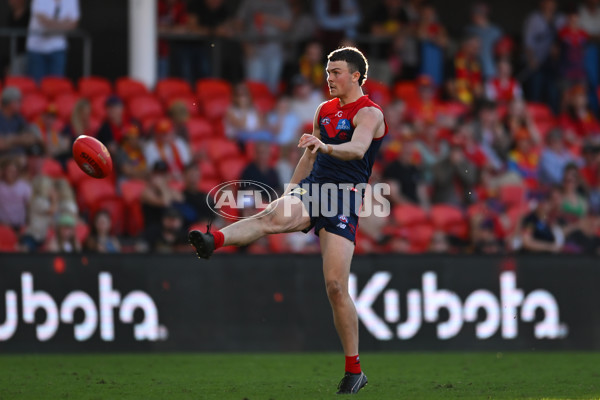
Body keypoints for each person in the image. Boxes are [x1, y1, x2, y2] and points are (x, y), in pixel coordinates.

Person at [188, 47, 384, 394]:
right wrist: (291, 191)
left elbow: (356, 149)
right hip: (314, 189)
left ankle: (354, 370)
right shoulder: (323, 111)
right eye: (327, 72)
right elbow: (309, 159)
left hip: (343, 199)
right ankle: (212, 241)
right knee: (271, 216)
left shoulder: (369, 113)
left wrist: (325, 147)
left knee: (336, 288)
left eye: (336, 72)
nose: (329, 78)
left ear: (356, 76)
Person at [26, 0, 80, 83]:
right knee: (37, 85)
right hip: (36, 48)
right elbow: (42, 19)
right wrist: (64, 23)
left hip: (58, 47)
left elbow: (73, 24)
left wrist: (51, 28)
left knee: (56, 86)